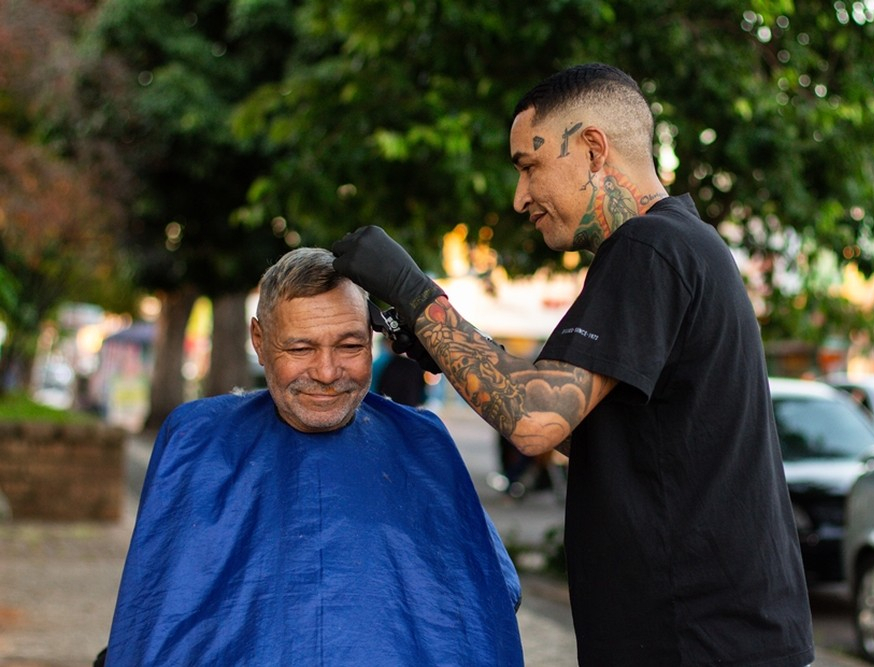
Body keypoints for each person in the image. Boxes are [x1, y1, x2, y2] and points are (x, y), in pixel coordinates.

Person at [332, 63, 815, 666]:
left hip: (695, 644)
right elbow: (585, 433)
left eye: (529, 166)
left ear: (591, 149)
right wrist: (442, 349)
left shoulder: (648, 248)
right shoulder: (684, 246)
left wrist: (416, 292)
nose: (519, 198)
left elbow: (536, 418)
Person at [102, 248, 523, 666]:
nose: (326, 372)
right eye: (301, 349)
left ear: (372, 338)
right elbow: (155, 607)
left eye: (349, 345)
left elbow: (485, 601)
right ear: (260, 341)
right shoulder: (195, 442)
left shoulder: (424, 445)